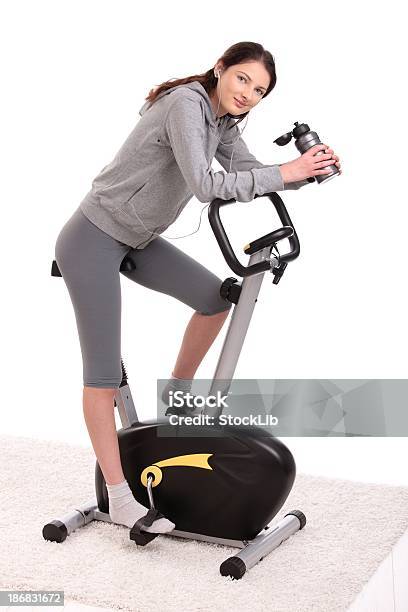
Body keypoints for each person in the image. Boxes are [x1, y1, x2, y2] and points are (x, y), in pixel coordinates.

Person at [54, 41, 341, 536]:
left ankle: (176, 401)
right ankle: (120, 498)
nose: (249, 94)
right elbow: (209, 185)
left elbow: (248, 172)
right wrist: (288, 171)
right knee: (102, 376)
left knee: (214, 299)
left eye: (260, 90)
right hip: (93, 237)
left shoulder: (223, 121)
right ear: (220, 69)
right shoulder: (187, 104)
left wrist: (305, 172)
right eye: (243, 79)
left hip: (138, 238)